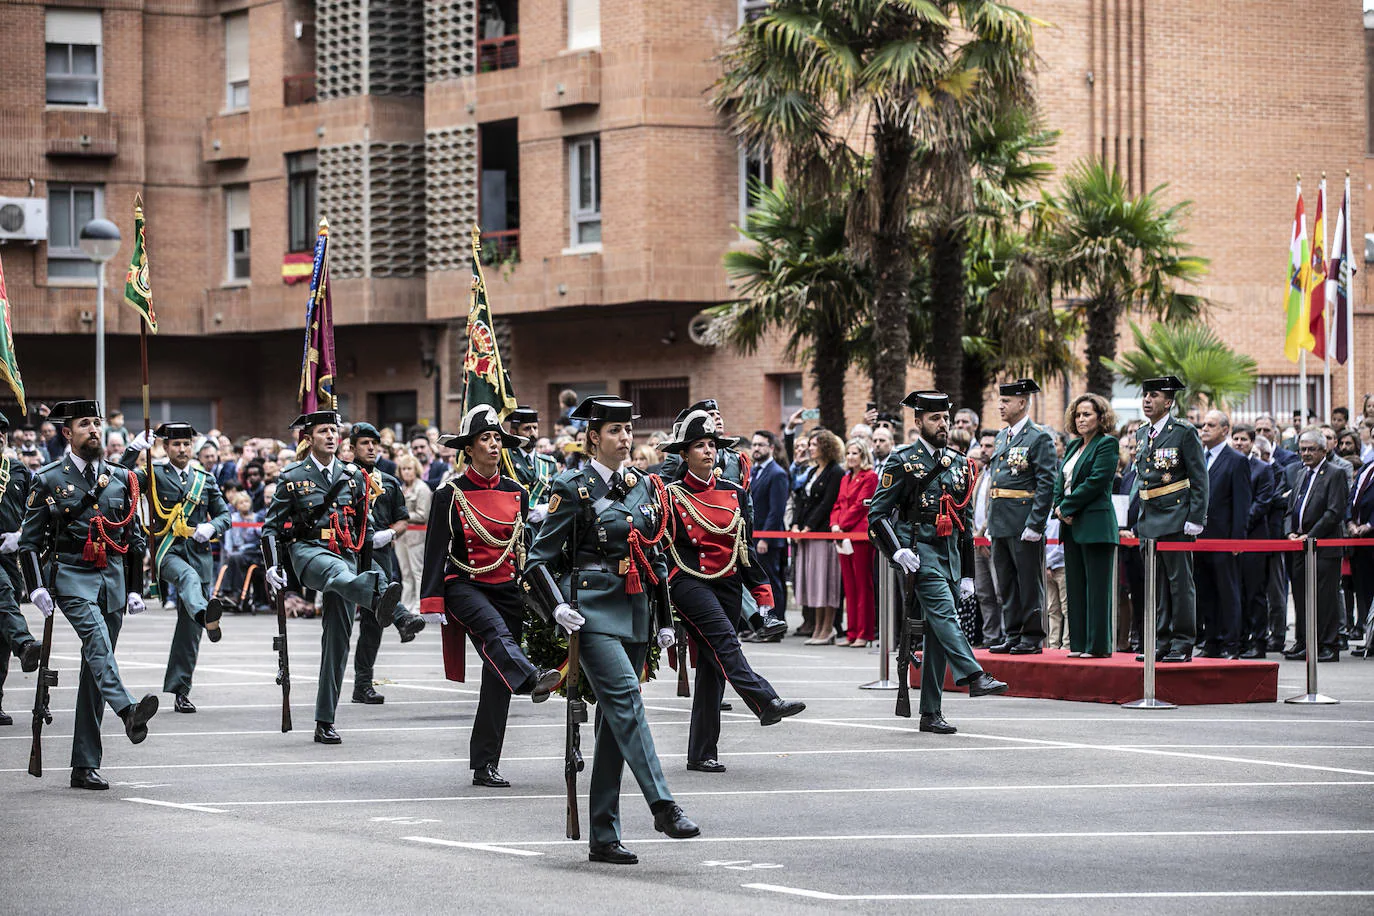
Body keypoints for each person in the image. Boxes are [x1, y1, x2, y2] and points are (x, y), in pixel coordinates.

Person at [524, 396, 699, 864]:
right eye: (616, 432)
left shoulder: (644, 486)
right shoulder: (572, 487)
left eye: (629, 431)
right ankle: (662, 805)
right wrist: (557, 607)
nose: (625, 439)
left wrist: (665, 620)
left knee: (612, 724)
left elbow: (654, 554)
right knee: (627, 701)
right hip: (592, 611)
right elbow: (536, 560)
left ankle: (603, 834)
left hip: (637, 609)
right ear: (593, 437)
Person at [420, 406, 561, 788]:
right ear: (469, 448)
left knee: (497, 676)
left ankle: (485, 765)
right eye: (486, 438)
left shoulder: (517, 492)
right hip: (464, 585)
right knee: (497, 636)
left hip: (508, 587)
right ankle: (531, 678)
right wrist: (431, 601)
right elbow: (435, 549)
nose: (494, 445)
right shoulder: (450, 492)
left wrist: (550, 601)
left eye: (498, 438)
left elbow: (524, 550)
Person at [19, 400, 157, 790]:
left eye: (98, 423)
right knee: (97, 642)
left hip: (111, 577)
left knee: (97, 666)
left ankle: (84, 764)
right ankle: (128, 710)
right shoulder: (47, 478)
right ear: (68, 433)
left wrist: (133, 587)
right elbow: (28, 543)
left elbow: (131, 538)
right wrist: (36, 586)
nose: (95, 429)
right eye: (85, 424)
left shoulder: (120, 478)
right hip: (71, 575)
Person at [660, 410, 804, 772]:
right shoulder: (670, 494)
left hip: (727, 581)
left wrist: (764, 601)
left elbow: (746, 550)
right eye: (699, 446)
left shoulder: (735, 493)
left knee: (712, 666)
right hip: (688, 579)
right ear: (685, 454)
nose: (708, 451)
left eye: (711, 445)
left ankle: (702, 752)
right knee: (725, 642)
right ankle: (765, 701)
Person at [869, 390, 1009, 735]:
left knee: (936, 633)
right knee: (946, 614)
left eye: (945, 418)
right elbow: (877, 514)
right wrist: (898, 551)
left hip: (948, 555)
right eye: (935, 418)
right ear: (918, 422)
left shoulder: (960, 464)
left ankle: (931, 712)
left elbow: (962, 524)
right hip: (919, 554)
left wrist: (966, 574)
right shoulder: (903, 460)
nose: (942, 424)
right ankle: (975, 675)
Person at [262, 410, 405, 745]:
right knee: (338, 572)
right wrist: (272, 566)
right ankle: (386, 607)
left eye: (334, 430)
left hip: (345, 556)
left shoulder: (352, 476)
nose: (330, 436)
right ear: (308, 438)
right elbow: (271, 528)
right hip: (309, 554)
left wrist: (370, 569)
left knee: (337, 643)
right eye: (323, 430)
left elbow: (363, 530)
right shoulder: (292, 476)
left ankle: (324, 719)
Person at [120, 422, 235, 713]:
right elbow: (121, 480)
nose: (181, 449)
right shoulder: (154, 473)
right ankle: (203, 612)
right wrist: (133, 451)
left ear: (192, 446)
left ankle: (180, 690)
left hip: (199, 551)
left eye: (186, 444)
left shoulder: (204, 478)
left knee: (188, 633)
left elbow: (225, 515)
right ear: (165, 447)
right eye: (175, 445)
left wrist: (211, 526)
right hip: (168, 551)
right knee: (186, 578)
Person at [349, 424, 427, 705]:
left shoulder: (390, 482)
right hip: (351, 554)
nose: (371, 448)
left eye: (374, 443)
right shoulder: (344, 478)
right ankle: (403, 617)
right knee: (340, 623)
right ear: (352, 448)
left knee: (372, 623)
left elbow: (403, 518)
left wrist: (391, 533)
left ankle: (362, 685)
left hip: (381, 552)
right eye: (364, 443)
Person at [1132, 376, 1208, 663]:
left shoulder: (1183, 432)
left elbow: (1199, 477)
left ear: (1169, 401)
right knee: (1156, 584)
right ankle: (1160, 640)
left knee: (1180, 584)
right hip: (1148, 517)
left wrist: (1196, 516)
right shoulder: (1142, 433)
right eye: (1145, 395)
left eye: (1154, 395)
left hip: (1176, 517)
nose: (1147, 400)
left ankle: (1183, 641)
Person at [985, 379, 1057, 655]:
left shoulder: (1038, 437)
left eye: (1006, 401)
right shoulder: (1003, 436)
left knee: (1028, 581)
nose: (1000, 406)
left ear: (1022, 403)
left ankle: (1032, 634)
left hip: (1024, 521)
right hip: (1001, 521)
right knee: (1006, 582)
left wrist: (1036, 523)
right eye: (1000, 401)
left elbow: (1046, 483)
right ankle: (1013, 632)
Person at [1052, 393, 1120, 658]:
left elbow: (1097, 481)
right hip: (1070, 525)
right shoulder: (1072, 446)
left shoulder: (1107, 444)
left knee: (1098, 589)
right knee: (1076, 586)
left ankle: (1098, 646)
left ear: (1100, 417)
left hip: (1096, 524)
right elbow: (1061, 482)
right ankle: (1079, 644)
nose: (1081, 419)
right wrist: (1060, 508)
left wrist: (1067, 507)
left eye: (1087, 414)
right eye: (1078, 414)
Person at [1284, 429, 1348, 662]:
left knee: (1324, 597)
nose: (1306, 453)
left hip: (1324, 546)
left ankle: (1328, 644)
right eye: (1303, 449)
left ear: (1324, 450)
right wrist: (1289, 532)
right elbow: (1290, 508)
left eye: (1311, 449)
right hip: (1299, 546)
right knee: (1301, 596)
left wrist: (1310, 535)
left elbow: (1335, 511)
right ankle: (1304, 642)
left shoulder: (1335, 474)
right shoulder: (1301, 474)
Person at [1193, 410, 1251, 659]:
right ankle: (1212, 641)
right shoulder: (1198, 458)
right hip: (1198, 538)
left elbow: (1241, 503)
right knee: (1205, 592)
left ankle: (1231, 643)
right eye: (1203, 424)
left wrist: (1237, 539)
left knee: (1227, 592)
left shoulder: (1236, 461)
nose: (1204, 429)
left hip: (1224, 538)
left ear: (1225, 430)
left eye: (1211, 425)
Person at [0, 411, 43, 726]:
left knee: (0, 632)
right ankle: (25, 643)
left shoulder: (16, 469)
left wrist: (21, 535)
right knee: (2, 595)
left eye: (2, 431)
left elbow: (36, 507)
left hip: (8, 555)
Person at [791, 430, 843, 644]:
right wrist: (795, 524)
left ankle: (827, 627)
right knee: (813, 583)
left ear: (826, 447)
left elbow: (827, 503)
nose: (810, 448)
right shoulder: (812, 472)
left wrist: (809, 526)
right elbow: (802, 500)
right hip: (806, 534)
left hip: (822, 534)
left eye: (814, 444)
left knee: (825, 582)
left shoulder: (836, 472)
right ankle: (817, 626)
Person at [1230, 425, 1278, 658]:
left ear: (1252, 442)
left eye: (1243, 439)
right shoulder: (1229, 464)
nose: (1239, 443)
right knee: (1236, 590)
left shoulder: (1263, 468)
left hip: (1254, 538)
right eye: (1235, 439)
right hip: (1230, 540)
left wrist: (1238, 524)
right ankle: (1239, 639)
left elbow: (1262, 502)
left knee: (1255, 593)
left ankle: (1259, 642)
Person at [831, 438, 878, 646]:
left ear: (864, 455)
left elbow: (861, 506)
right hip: (842, 534)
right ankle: (851, 632)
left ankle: (864, 633)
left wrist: (842, 525)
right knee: (849, 586)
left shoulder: (870, 477)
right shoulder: (845, 478)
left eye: (855, 453)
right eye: (848, 453)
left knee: (862, 584)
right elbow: (838, 504)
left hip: (859, 535)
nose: (850, 457)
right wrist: (834, 525)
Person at [749, 430, 791, 624]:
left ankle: (776, 622)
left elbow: (777, 510)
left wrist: (765, 537)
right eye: (754, 445)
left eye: (761, 445)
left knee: (772, 581)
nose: (756, 449)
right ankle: (762, 622)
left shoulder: (777, 474)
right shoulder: (754, 471)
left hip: (768, 539)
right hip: (754, 537)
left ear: (771, 448)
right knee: (759, 582)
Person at [505, 405, 560, 516]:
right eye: (527, 429)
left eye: (535, 428)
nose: (532, 433)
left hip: (544, 523)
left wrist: (547, 509)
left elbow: (559, 493)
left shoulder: (548, 462)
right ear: (513, 432)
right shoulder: (506, 459)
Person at [395, 454, 431, 613]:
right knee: (405, 573)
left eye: (409, 468)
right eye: (403, 469)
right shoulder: (402, 488)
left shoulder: (422, 488)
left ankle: (419, 604)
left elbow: (424, 515)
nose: (406, 472)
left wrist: (403, 516)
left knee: (418, 572)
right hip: (401, 536)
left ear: (415, 469)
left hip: (417, 536)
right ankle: (406, 604)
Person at [1347, 455, 1374, 657]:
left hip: (1371, 535)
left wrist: (1371, 525)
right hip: (1359, 541)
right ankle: (1371, 640)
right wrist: (1350, 522)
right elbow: (1352, 497)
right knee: (1365, 591)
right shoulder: (1367, 468)